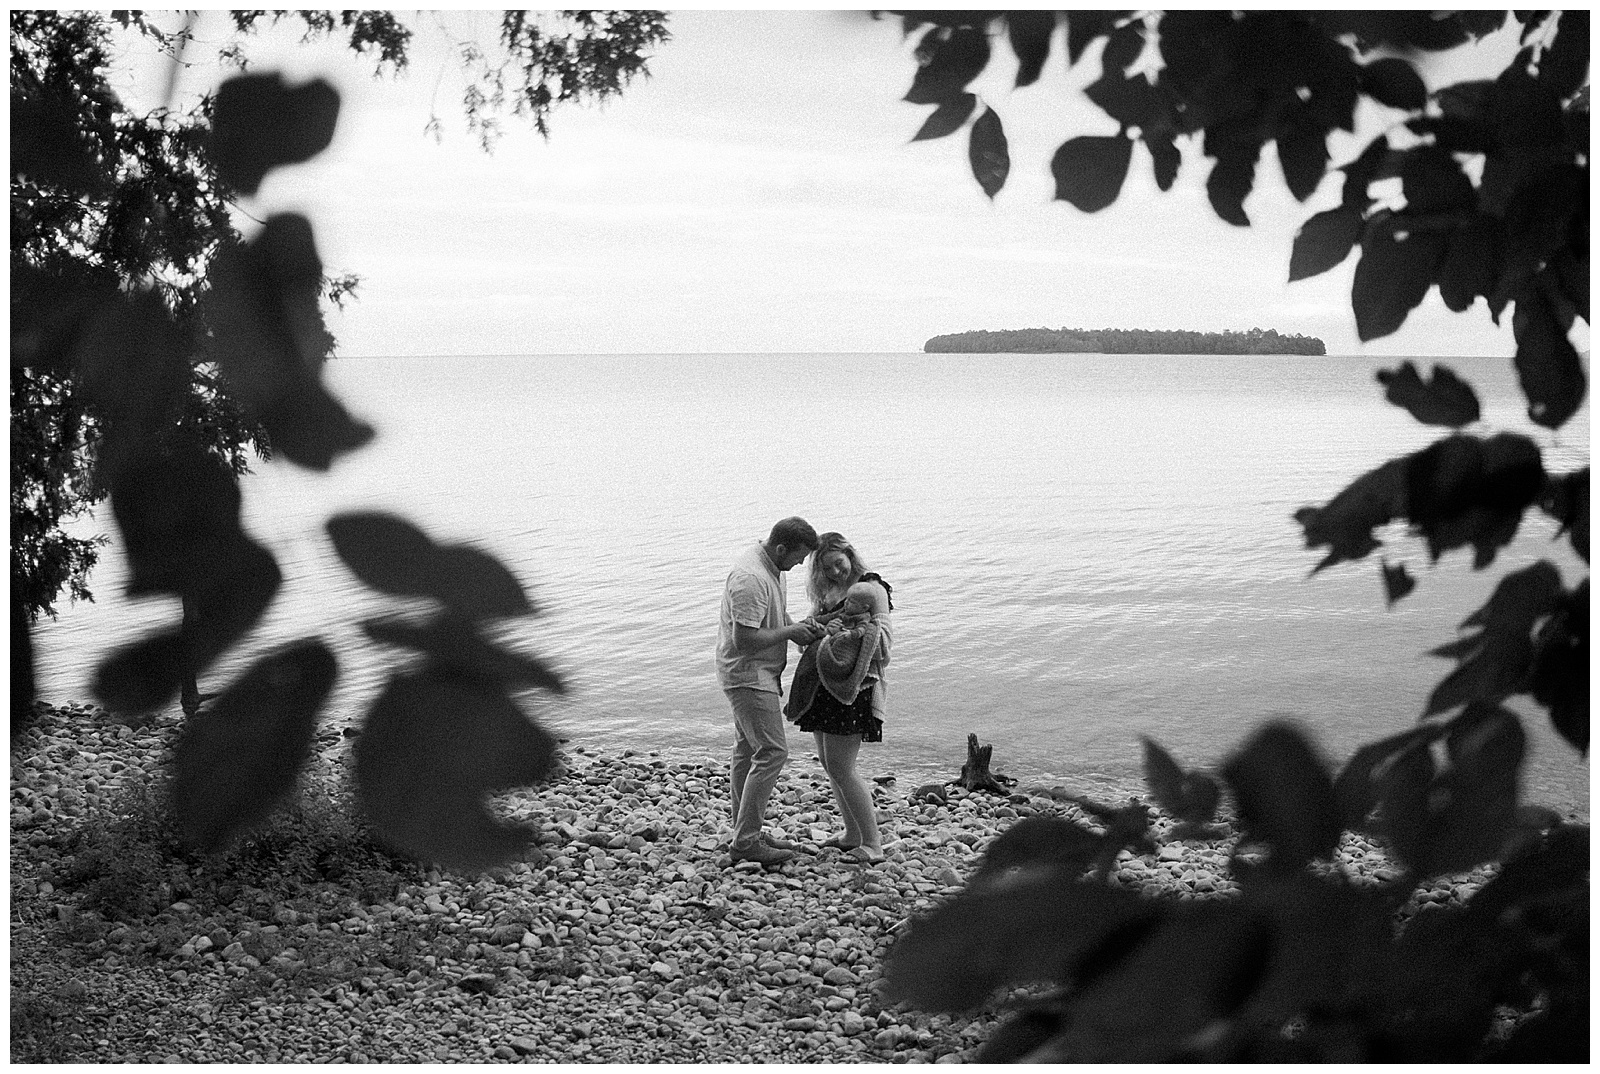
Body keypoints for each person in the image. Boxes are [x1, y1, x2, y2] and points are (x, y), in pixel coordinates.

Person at [716, 517, 826, 866]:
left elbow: (768, 617)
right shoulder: (751, 578)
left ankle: (743, 830)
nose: (797, 566)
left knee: (747, 750)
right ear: (781, 548)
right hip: (748, 674)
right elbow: (745, 639)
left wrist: (795, 626)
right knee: (773, 752)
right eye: (797, 558)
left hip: (753, 672)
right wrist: (790, 633)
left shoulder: (767, 566)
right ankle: (746, 844)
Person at [784, 533, 894, 864]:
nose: (835, 572)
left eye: (838, 563)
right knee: (831, 766)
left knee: (843, 767)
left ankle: (872, 845)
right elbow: (814, 631)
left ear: (849, 553)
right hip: (825, 686)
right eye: (826, 568)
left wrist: (843, 633)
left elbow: (883, 643)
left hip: (855, 688)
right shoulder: (828, 593)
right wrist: (820, 630)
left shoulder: (870, 589)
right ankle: (852, 834)